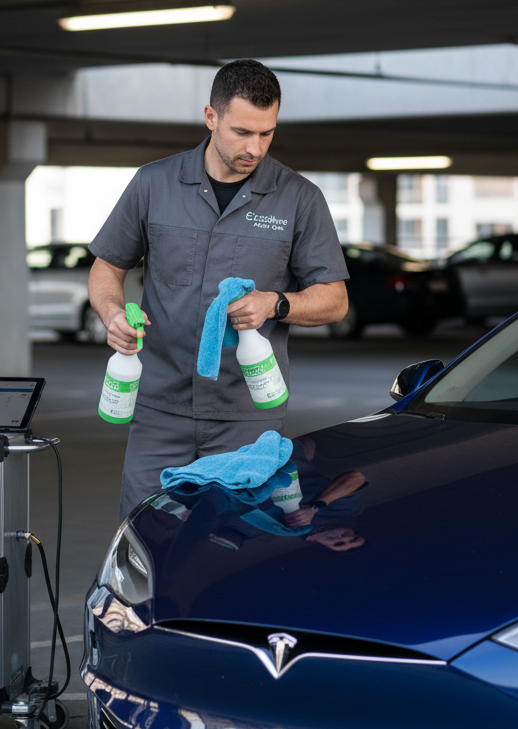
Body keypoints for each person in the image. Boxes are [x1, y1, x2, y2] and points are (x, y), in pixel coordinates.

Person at [88, 59, 349, 518]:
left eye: (267, 134)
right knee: (145, 534)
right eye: (242, 132)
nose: (255, 147)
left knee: (243, 544)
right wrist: (112, 312)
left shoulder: (299, 198)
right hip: (160, 409)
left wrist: (277, 303)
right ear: (211, 117)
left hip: (246, 417)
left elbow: (334, 299)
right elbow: (106, 268)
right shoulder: (154, 183)